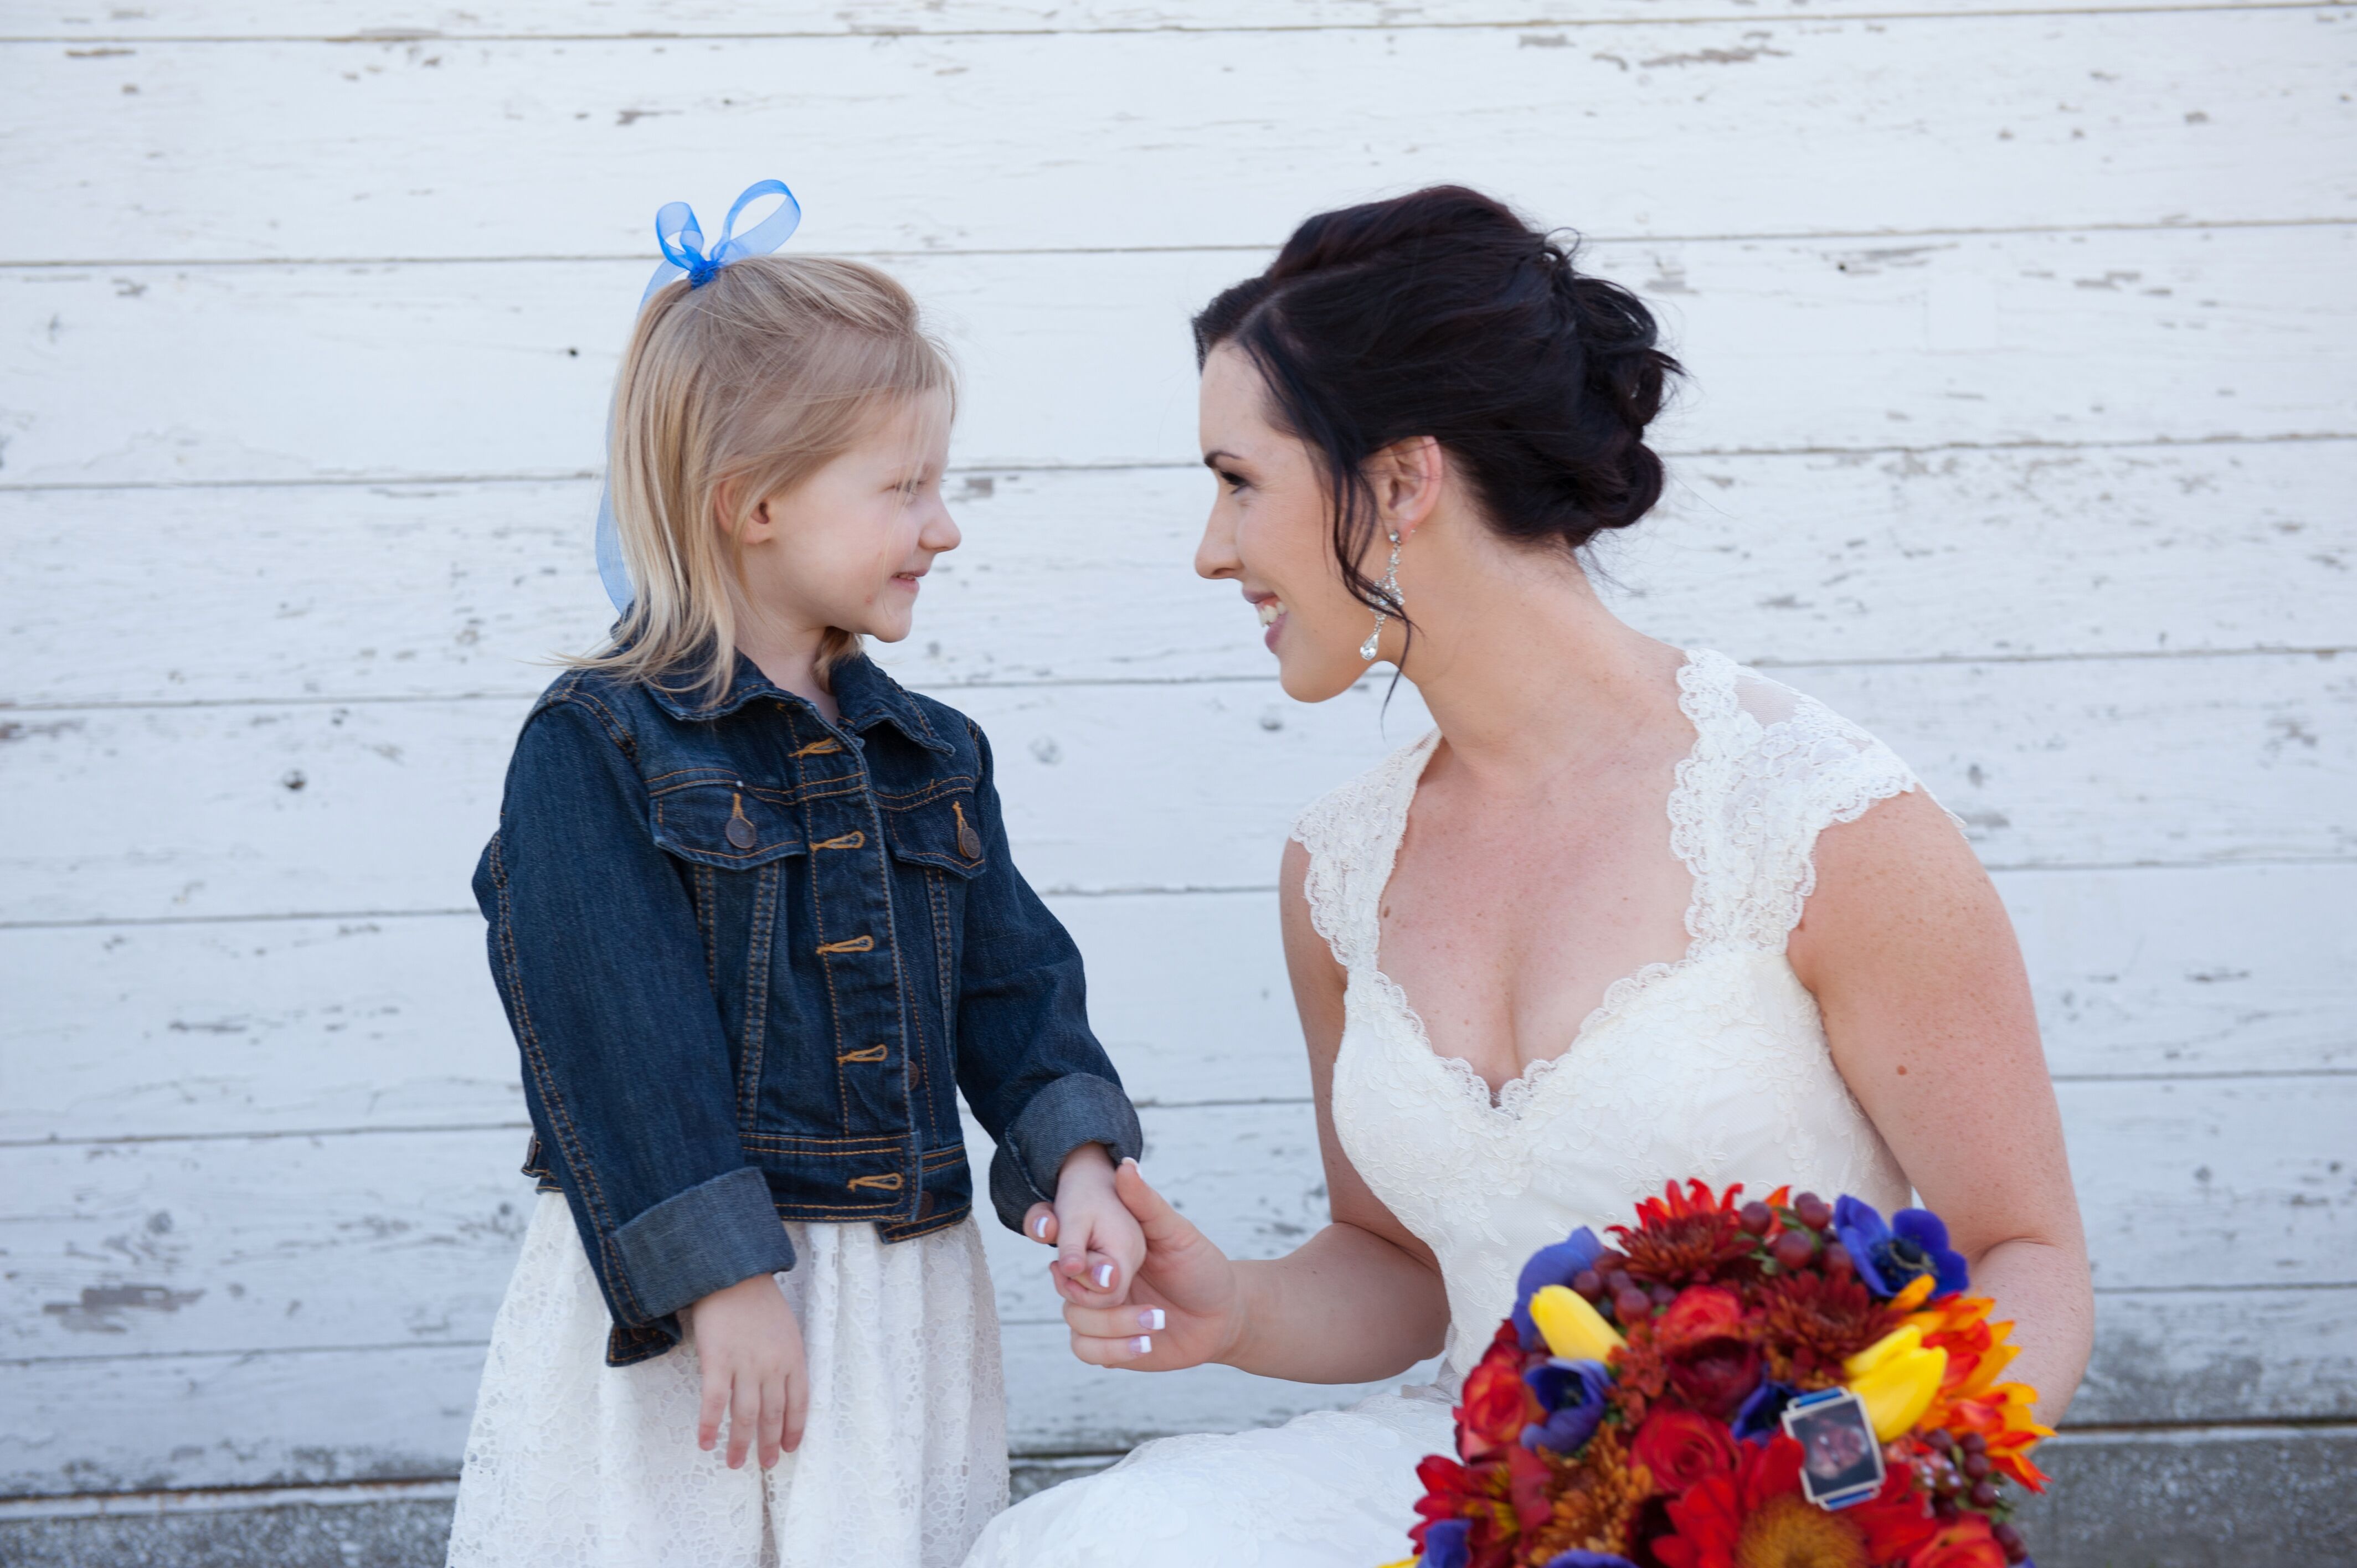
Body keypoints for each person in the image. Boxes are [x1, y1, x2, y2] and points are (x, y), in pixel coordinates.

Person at [968, 185, 2092, 1566]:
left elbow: (2022, 1255)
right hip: (1471, 1494)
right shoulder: (1338, 871)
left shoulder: (1821, 825)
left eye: (1238, 481)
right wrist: (1239, 1309)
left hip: (1781, 1511)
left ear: (1398, 483)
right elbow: (1400, 1267)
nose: (1212, 550)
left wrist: (1811, 1495)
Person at [444, 207, 1146, 1568]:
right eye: (905, 488)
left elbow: (1010, 984)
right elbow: (614, 1038)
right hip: (696, 1300)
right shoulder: (596, 746)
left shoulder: (930, 752)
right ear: (754, 504)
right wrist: (723, 1280)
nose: (942, 528)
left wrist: (1080, 1157)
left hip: (893, 1293)